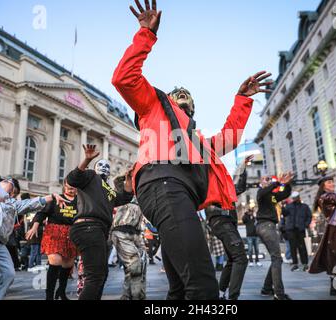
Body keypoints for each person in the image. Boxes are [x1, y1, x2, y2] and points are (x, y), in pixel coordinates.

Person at [112, 0, 272, 300]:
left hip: (175, 191)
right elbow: (123, 78)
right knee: (203, 286)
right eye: (178, 96)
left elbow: (229, 139)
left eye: (188, 98)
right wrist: (146, 34)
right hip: (164, 184)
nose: (183, 97)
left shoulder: (195, 142)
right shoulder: (153, 105)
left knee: (182, 288)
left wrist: (242, 99)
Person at [0, 151, 67, 300]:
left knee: (7, 275)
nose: (13, 194)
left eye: (15, 193)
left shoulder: (11, 203)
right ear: (4, 181)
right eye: (12, 188)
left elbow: (29, 204)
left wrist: (51, 196)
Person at [66, 145, 134, 300]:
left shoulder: (108, 189)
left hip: (98, 230)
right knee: (95, 276)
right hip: (88, 227)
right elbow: (72, 179)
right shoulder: (90, 177)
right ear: (95, 168)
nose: (104, 168)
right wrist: (87, 160)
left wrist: (129, 180)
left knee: (101, 275)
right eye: (101, 165)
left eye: (107, 166)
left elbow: (124, 197)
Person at [205, 156, 251, 300]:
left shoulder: (223, 186)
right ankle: (233, 297)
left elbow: (239, 187)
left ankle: (220, 293)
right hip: (222, 222)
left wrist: (242, 167)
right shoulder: (211, 184)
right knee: (240, 258)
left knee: (232, 259)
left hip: (224, 223)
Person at [26, 181, 79, 300]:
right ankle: (49, 296)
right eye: (69, 187)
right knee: (55, 262)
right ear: (64, 186)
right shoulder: (56, 198)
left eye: (73, 188)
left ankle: (61, 291)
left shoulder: (80, 201)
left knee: (67, 265)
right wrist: (34, 227)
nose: (71, 190)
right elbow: (41, 213)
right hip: (54, 233)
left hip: (71, 234)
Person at [256, 173, 294, 300]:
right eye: (265, 179)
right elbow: (267, 190)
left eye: (269, 179)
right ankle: (279, 294)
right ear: (260, 182)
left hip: (269, 226)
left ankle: (267, 289)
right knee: (277, 258)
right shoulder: (261, 192)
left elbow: (285, 194)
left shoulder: (271, 196)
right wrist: (278, 183)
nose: (267, 181)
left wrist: (287, 184)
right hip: (265, 226)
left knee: (276, 258)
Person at [111, 186, 147, 300]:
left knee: (139, 265)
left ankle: (127, 295)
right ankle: (137, 296)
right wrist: (129, 177)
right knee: (135, 264)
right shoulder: (123, 191)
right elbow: (118, 181)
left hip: (136, 232)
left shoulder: (142, 191)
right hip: (121, 230)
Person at [283, 191, 312, 272]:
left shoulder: (304, 206)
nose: (295, 199)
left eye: (296, 198)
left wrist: (305, 225)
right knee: (293, 247)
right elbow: (284, 214)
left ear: (299, 197)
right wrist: (282, 206)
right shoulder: (289, 206)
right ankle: (295, 264)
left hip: (300, 229)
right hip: (291, 229)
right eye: (294, 198)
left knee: (302, 247)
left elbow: (309, 216)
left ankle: (305, 263)